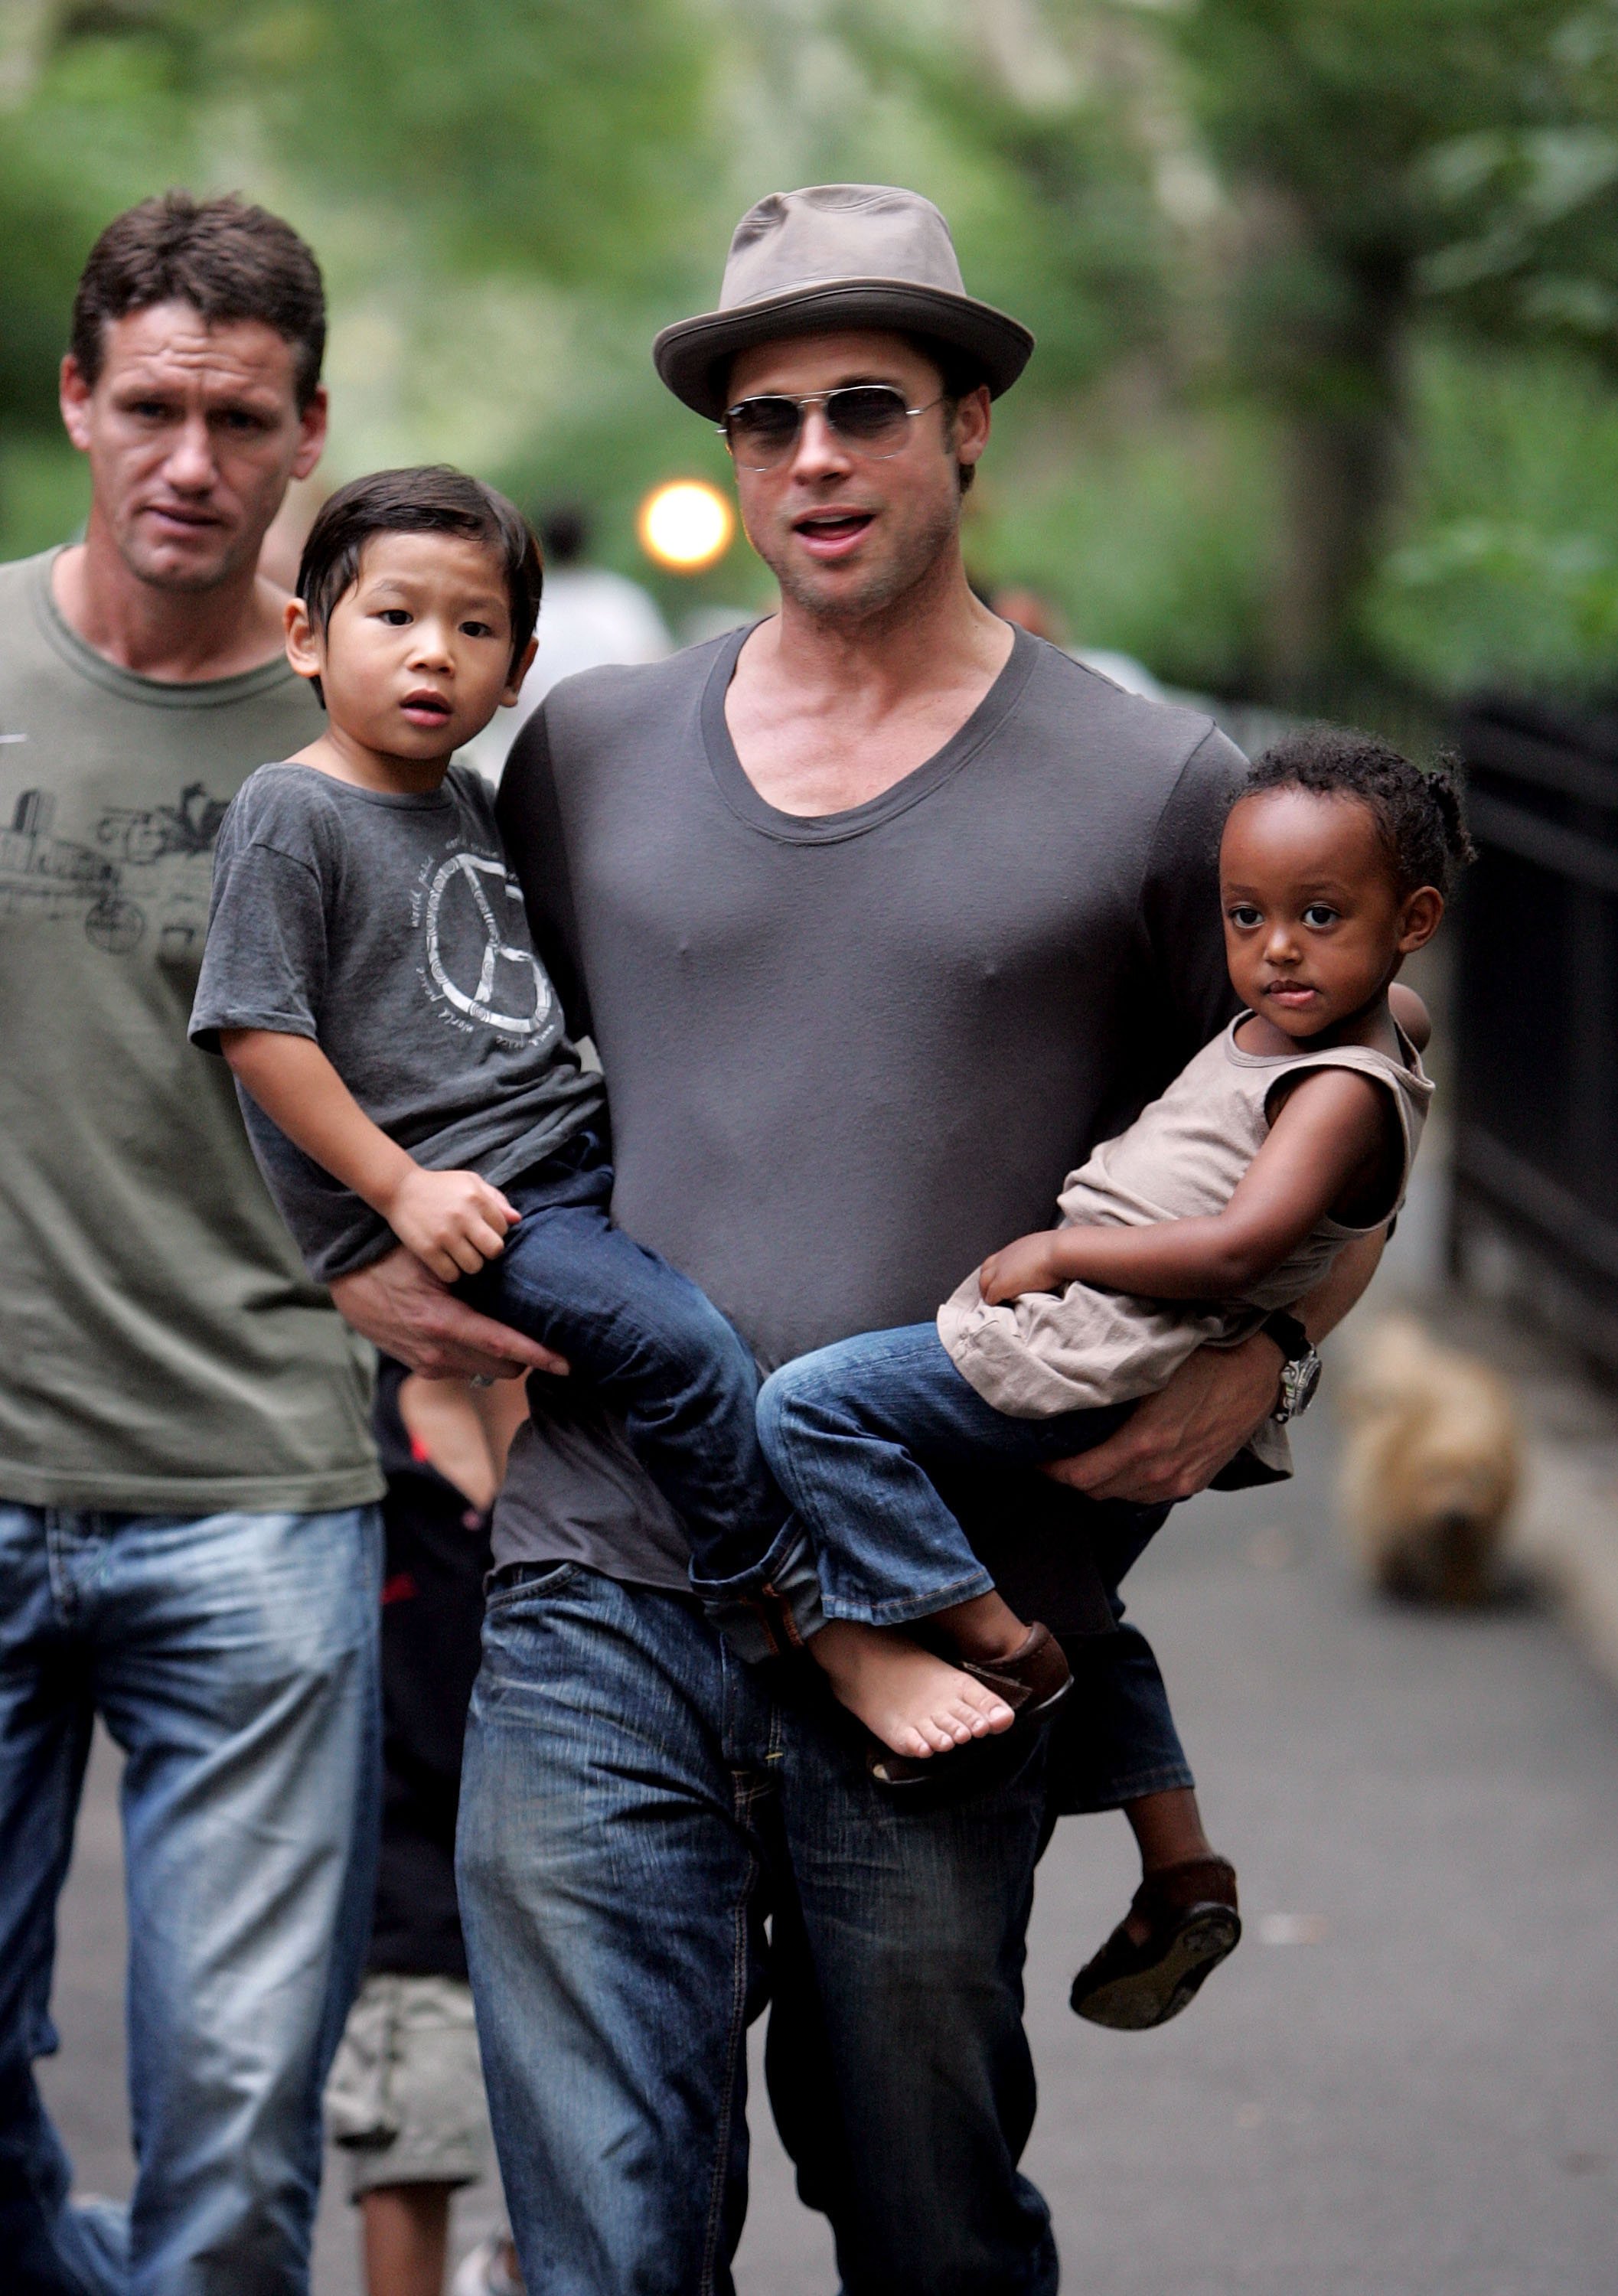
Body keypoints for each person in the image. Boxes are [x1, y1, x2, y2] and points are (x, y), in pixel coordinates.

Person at [328, 184, 1391, 2294]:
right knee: (608, 2237)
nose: (811, 457)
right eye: (767, 419)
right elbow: (421, 1048)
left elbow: (1348, 1103)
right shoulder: (591, 753)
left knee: (920, 2206)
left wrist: (1265, 1359)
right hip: (597, 1576)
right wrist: (383, 1288)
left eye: (865, 410)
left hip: (957, 1606)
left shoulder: (1149, 780)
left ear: (968, 422)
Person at [0, 194, 519, 2296]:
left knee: (234, 2107)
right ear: (76, 403)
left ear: (310, 432)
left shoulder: (396, 749)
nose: (189, 462)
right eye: (149, 408)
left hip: (270, 1498)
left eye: (237, 417)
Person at [750, 734, 1463, 2016]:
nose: (1277, 951)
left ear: (1412, 918)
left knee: (808, 1409)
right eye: (1246, 917)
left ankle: (987, 1643)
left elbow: (1247, 1244)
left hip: (1095, 1334)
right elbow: (1401, 1025)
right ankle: (1177, 1862)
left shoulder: (1337, 1090)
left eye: (1318, 916)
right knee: (1084, 1601)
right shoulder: (1379, 1021)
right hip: (1117, 1337)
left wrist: (1061, 1248)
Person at [190, 465, 825, 1684]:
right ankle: (793, 1614)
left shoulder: (472, 804)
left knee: (761, 1303)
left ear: (518, 668)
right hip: (488, 1203)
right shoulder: (291, 810)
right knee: (684, 1350)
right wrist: (396, 1196)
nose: (434, 655)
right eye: (394, 618)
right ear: (305, 636)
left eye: (472, 629)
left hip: (578, 1154)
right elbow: (258, 1032)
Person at [325, 1365, 527, 2296]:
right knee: (411, 2138)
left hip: (584, 1837)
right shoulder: (358, 1433)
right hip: (411, 1851)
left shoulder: (603, 1412)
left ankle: (511, 2272)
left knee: (617, 2155)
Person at [458, 504, 669, 783]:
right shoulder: (620, 601)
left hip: (535, 768)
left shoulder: (528, 610)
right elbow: (658, 676)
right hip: (620, 763)